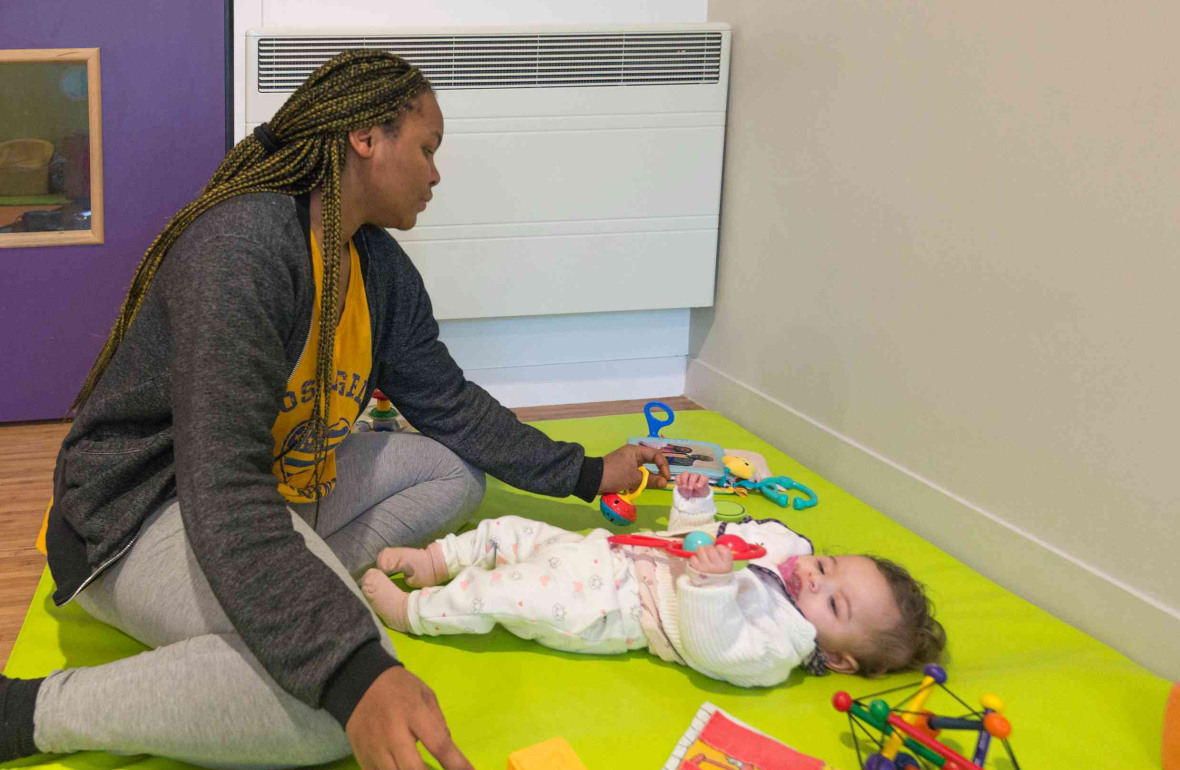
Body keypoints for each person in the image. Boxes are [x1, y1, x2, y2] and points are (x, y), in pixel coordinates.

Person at [0, 51, 670, 770]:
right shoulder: (242, 248)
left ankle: (282, 585)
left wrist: (589, 470)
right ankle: (29, 712)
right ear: (364, 137)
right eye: (427, 147)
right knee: (337, 709)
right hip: (144, 511)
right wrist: (350, 670)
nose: (437, 174)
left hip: (271, 490)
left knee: (454, 471)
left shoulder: (378, 269)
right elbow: (222, 486)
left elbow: (449, 406)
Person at [364, 473, 946, 687]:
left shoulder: (777, 647)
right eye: (829, 568)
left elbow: (713, 647)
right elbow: (694, 542)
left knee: (508, 592)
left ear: (839, 658)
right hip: (613, 553)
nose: (815, 581)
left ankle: (414, 613)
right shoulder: (780, 557)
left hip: (610, 607)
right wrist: (694, 511)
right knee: (511, 530)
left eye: (835, 605)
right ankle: (439, 559)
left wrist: (710, 588)